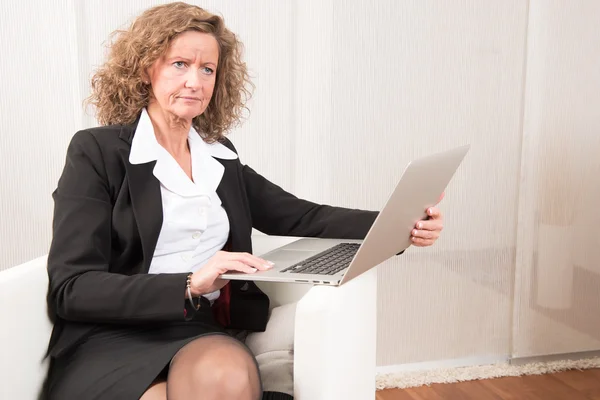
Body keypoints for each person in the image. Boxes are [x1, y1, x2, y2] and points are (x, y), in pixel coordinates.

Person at [43, 3, 445, 400]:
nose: (195, 82)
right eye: (179, 64)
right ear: (146, 68)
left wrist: (402, 224)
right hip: (112, 334)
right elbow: (72, 287)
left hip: (197, 329)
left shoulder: (219, 156)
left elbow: (300, 216)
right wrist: (189, 284)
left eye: (207, 69)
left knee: (224, 374)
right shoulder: (96, 152)